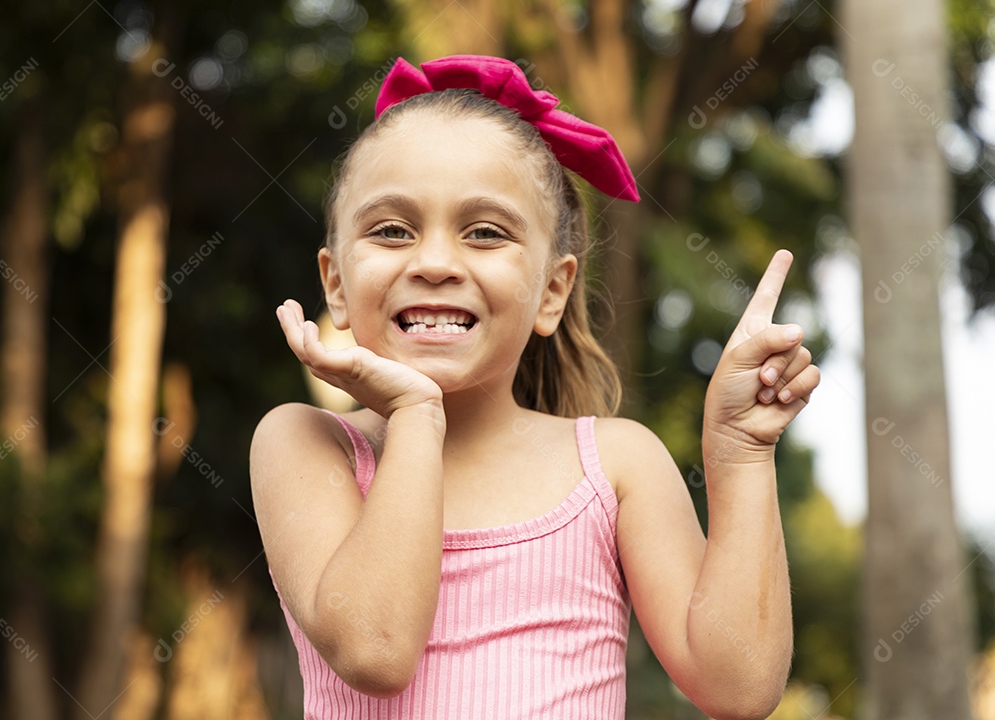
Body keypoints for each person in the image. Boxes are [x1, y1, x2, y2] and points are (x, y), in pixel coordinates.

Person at [250, 55, 819, 719]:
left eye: (485, 233)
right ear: (336, 285)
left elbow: (738, 689)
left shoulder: (616, 464)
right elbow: (375, 649)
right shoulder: (306, 444)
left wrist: (742, 455)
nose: (434, 262)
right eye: (392, 230)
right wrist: (415, 416)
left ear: (553, 290)